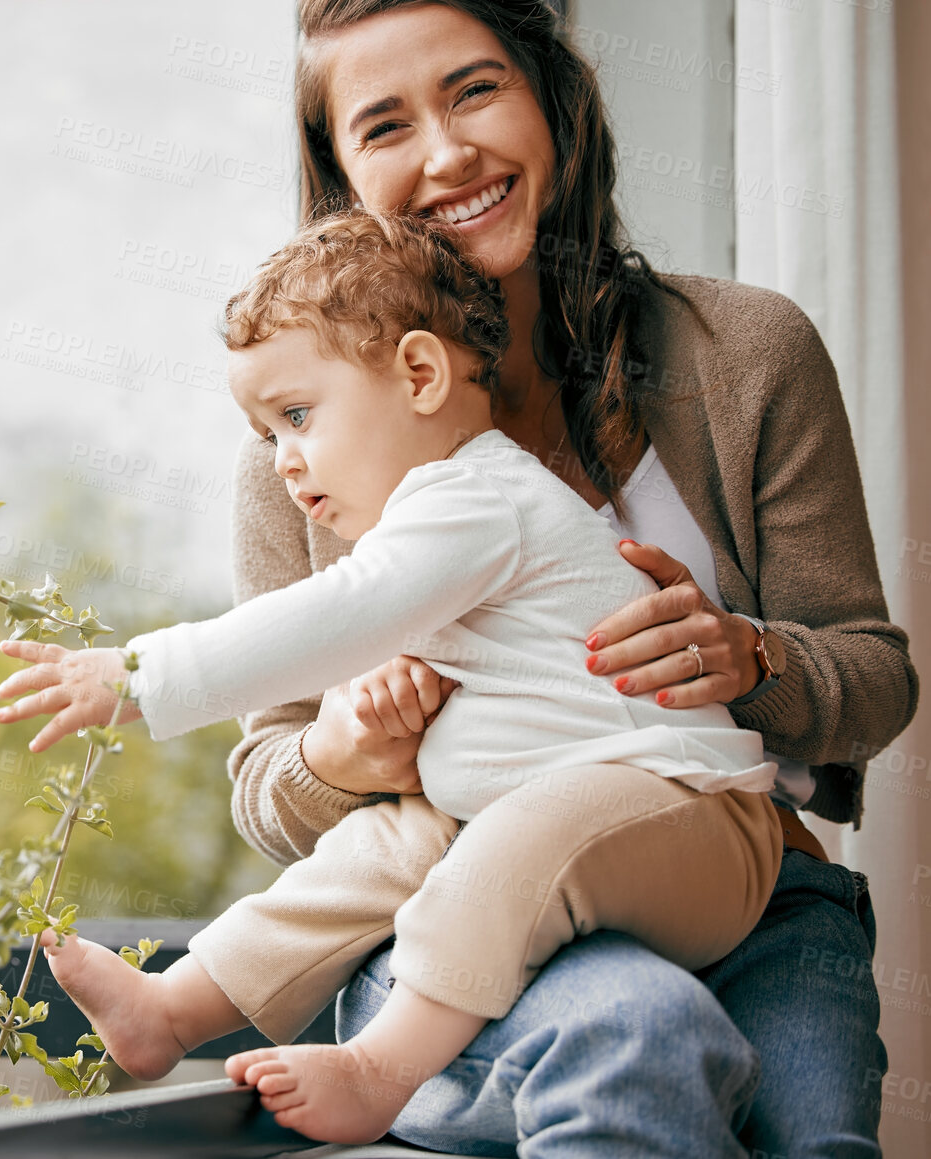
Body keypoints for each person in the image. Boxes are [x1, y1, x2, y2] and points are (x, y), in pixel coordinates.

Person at [215, 1, 914, 1155]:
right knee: (634, 1033)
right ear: (342, 175)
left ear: (554, 104)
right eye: (386, 126)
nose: (447, 154)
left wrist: (756, 658)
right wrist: (342, 753)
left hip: (762, 895)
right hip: (459, 920)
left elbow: (876, 675)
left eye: (477, 90)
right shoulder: (296, 458)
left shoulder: (747, 353)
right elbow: (267, 777)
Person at [0, 207, 783, 1145]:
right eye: (264, 432)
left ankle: (384, 1066)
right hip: (535, 816)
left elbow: (340, 614)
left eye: (295, 416)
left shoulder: (475, 498)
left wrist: (139, 675)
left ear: (418, 373)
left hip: (694, 821)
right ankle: (176, 1007)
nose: (282, 462)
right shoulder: (437, 518)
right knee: (375, 850)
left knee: (506, 843)